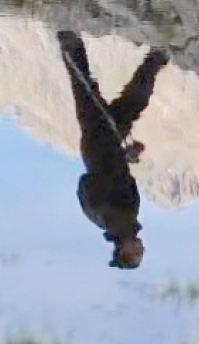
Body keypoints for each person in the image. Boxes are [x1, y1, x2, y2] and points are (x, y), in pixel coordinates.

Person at [57, 30, 168, 269]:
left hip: (99, 149)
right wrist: (124, 158)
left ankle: (70, 44)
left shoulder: (113, 219)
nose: (141, 248)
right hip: (104, 151)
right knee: (126, 105)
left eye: (136, 253)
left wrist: (116, 162)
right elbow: (104, 181)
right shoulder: (122, 219)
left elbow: (94, 183)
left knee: (89, 94)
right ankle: (154, 60)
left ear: (123, 250)